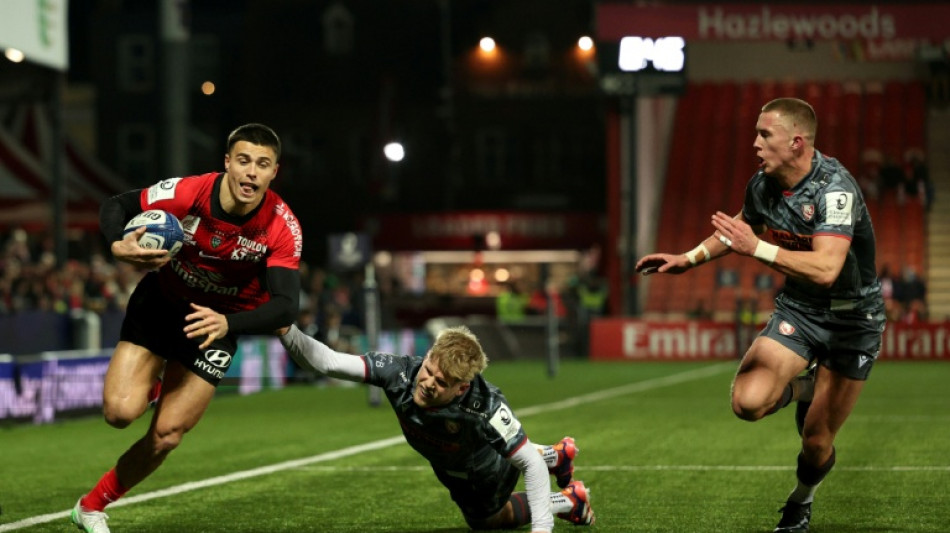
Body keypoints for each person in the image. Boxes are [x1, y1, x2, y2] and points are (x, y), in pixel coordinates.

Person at [636, 98, 885, 533]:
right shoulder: (764, 184)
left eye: (764, 134)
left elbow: (826, 269)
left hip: (853, 321)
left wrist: (757, 248)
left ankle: (801, 501)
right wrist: (688, 258)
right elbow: (742, 226)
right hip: (801, 310)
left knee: (815, 442)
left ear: (796, 142)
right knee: (747, 403)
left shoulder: (835, 190)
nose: (755, 143)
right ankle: (807, 388)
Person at [70, 123, 303, 533]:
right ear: (227, 162)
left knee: (167, 435)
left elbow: (286, 306)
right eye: (244, 161)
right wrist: (117, 244)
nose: (251, 172)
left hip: (216, 325)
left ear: (273, 172)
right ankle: (153, 386)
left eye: (262, 164)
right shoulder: (188, 192)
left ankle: (90, 507)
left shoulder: (282, 226)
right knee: (120, 413)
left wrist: (228, 322)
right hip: (162, 304)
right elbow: (117, 205)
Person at [277, 323, 594, 532]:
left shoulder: (486, 405)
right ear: (428, 355)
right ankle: (557, 456)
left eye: (441, 383)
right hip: (448, 460)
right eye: (428, 370)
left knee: (484, 522)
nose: (427, 383)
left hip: (478, 467)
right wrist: (287, 331)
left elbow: (529, 464)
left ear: (461, 388)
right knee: (511, 454)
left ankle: (570, 500)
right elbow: (328, 361)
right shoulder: (399, 372)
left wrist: (542, 529)